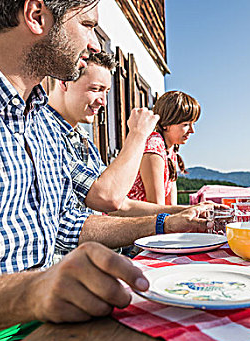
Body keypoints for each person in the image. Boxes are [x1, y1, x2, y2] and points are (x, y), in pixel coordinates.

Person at [0, 0, 211, 341]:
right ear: (37, 16)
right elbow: (108, 198)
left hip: (48, 319)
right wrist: (32, 291)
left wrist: (166, 223)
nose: (95, 44)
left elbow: (66, 225)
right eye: (88, 25)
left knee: (198, 323)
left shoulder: (39, 117)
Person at [47, 51, 197, 218]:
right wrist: (137, 134)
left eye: (107, 92)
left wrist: (188, 211)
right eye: (96, 89)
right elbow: (107, 198)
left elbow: (122, 204)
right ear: (64, 82)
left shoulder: (82, 139)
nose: (103, 101)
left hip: (99, 238)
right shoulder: (46, 132)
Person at [129, 91, 199, 205]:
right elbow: (157, 207)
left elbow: (170, 204)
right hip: (132, 221)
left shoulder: (171, 149)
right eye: (186, 124)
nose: (192, 130)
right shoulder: (154, 148)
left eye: (193, 124)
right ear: (166, 123)